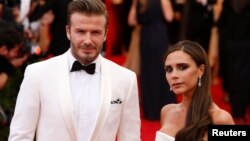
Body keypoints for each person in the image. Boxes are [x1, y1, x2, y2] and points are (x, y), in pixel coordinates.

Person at [8, 0, 141, 141]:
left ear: (106, 34)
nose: (88, 40)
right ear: (68, 32)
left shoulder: (126, 79)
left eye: (95, 32)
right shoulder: (37, 74)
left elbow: (130, 138)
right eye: (81, 31)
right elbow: (20, 137)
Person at [155, 40, 234, 141]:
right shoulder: (166, 111)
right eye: (169, 69)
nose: (173, 75)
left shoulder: (220, 119)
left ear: (201, 70)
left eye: (182, 67)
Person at [129, 0, 176, 120]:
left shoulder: (139, 1)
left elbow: (131, 21)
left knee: (147, 71)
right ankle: (165, 108)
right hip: (159, 35)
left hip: (145, 36)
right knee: (161, 71)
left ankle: (150, 111)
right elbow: (169, 17)